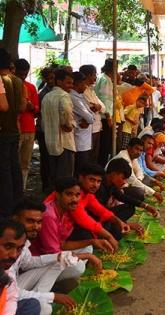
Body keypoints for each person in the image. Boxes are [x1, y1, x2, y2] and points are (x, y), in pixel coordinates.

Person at [12, 198, 101, 315]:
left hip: (15, 285)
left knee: (61, 261)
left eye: (39, 222)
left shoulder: (23, 241)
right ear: (15, 219)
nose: (35, 226)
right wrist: (53, 296)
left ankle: (39, 296)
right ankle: (39, 299)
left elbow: (28, 262)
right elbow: (10, 292)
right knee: (45, 309)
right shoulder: (7, 243)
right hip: (7, 296)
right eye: (30, 221)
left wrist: (58, 257)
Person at [0, 48, 25, 218]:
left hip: (3, 131)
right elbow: (22, 106)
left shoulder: (2, 80)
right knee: (14, 169)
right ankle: (17, 203)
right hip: (14, 129)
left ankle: (6, 210)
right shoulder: (17, 81)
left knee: (4, 172)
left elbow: (3, 106)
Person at [41, 69, 75, 191]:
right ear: (59, 82)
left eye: (72, 83)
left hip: (50, 141)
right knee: (65, 179)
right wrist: (69, 125)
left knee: (54, 176)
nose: (71, 86)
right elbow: (67, 116)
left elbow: (43, 122)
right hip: (64, 143)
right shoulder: (64, 96)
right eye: (68, 83)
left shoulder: (46, 97)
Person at [1, 220, 41, 315]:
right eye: (8, 247)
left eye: (19, 249)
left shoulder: (7, 272)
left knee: (32, 304)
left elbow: (11, 298)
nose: (14, 255)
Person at [110, 137, 164, 203]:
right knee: (139, 193)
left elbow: (139, 171)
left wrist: (139, 179)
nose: (138, 152)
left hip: (128, 182)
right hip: (117, 187)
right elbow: (132, 180)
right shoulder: (124, 158)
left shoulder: (133, 157)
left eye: (141, 150)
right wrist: (154, 193)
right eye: (136, 149)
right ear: (129, 148)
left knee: (144, 178)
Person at [15, 59, 39, 191]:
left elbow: (36, 109)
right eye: (20, 74)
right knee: (12, 162)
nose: (23, 77)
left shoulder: (31, 87)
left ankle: (21, 189)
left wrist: (31, 107)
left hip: (29, 128)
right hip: (15, 129)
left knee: (25, 163)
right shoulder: (10, 86)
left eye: (25, 74)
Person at [70, 72, 95, 176]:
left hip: (84, 140)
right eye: (84, 83)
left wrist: (89, 117)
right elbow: (90, 117)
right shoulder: (74, 98)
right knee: (80, 170)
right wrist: (88, 118)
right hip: (79, 141)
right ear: (78, 83)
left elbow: (90, 115)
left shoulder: (80, 97)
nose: (85, 86)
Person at [79, 64, 105, 164]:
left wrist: (96, 107)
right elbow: (90, 108)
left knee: (94, 156)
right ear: (89, 75)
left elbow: (102, 107)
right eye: (94, 74)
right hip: (90, 129)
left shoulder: (91, 90)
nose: (95, 77)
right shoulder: (83, 92)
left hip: (97, 127)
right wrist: (96, 107)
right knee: (88, 157)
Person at [37, 67, 55, 192]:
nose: (52, 81)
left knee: (51, 159)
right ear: (45, 79)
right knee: (46, 159)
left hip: (51, 130)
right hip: (44, 130)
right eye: (49, 78)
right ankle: (46, 185)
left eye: (53, 78)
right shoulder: (43, 93)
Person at [95, 59, 114, 167]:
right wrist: (108, 116)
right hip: (105, 116)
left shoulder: (101, 77)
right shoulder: (105, 79)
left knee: (103, 144)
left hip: (103, 115)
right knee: (105, 145)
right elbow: (105, 99)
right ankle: (102, 167)